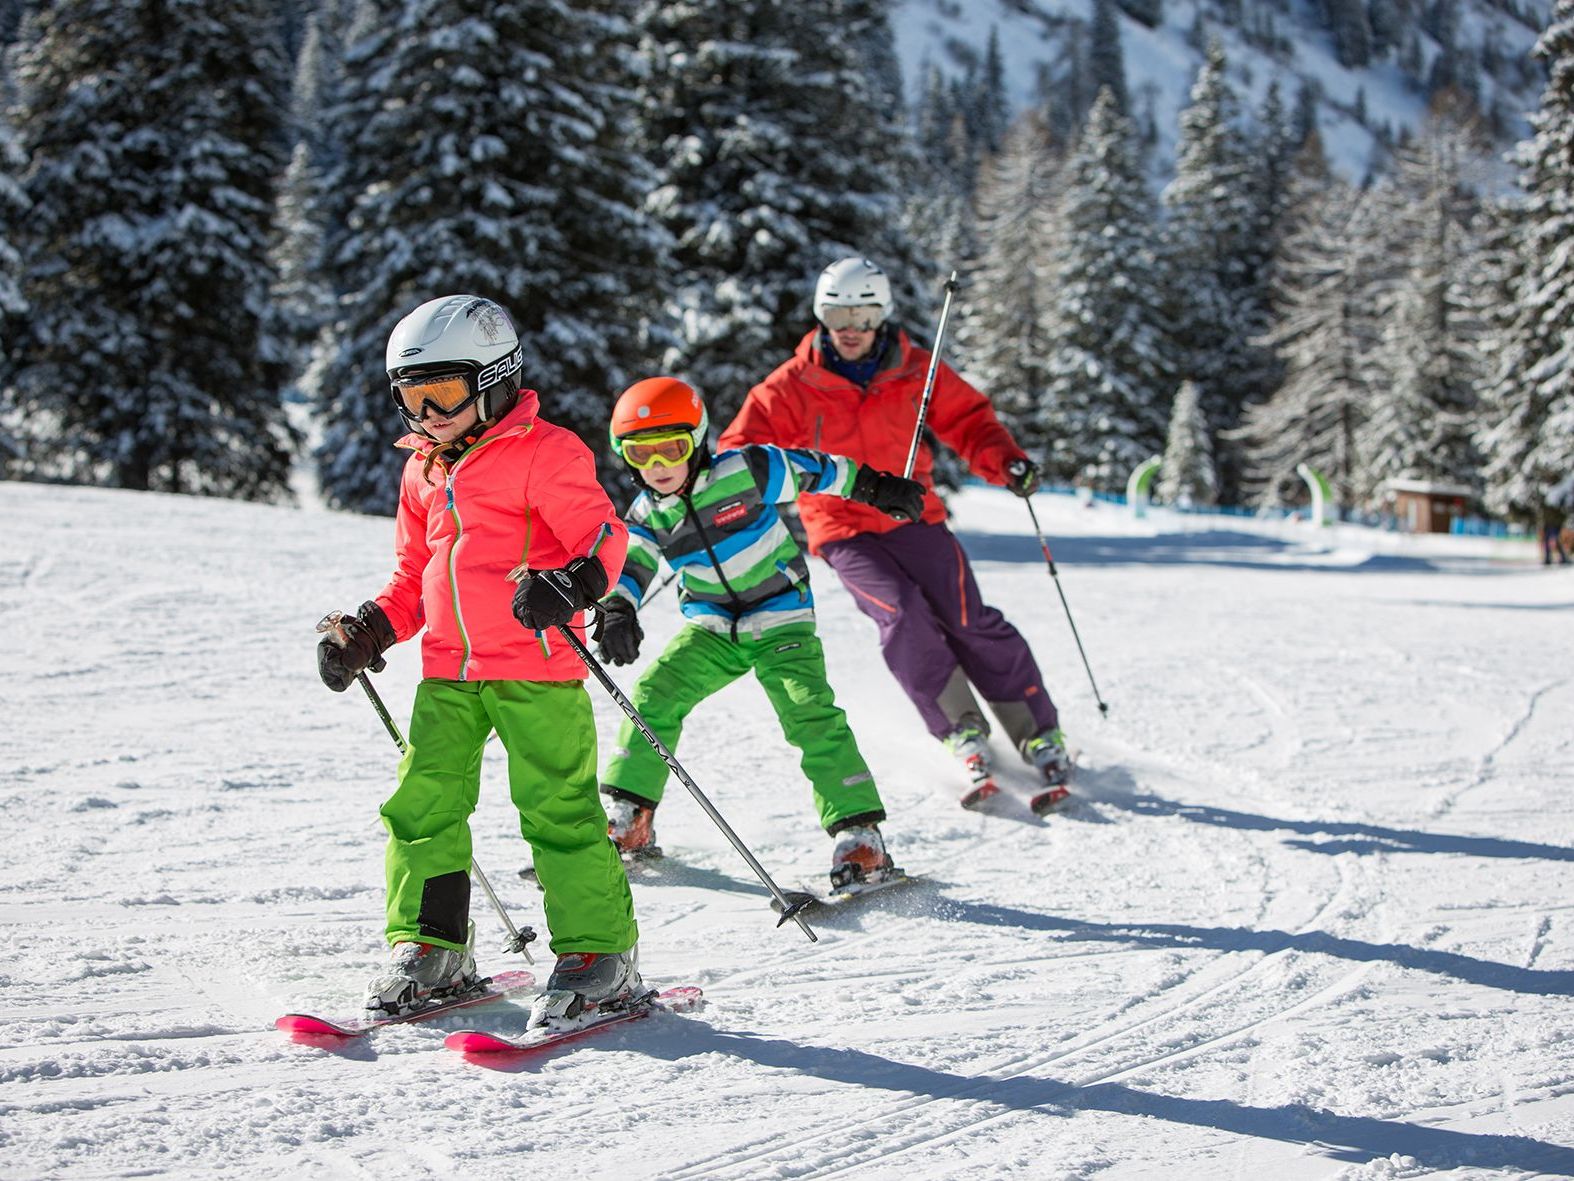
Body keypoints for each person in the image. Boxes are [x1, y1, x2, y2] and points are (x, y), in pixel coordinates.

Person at [316, 294, 640, 1024]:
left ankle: (599, 953)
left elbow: (603, 535)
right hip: (448, 673)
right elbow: (413, 579)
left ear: (494, 380)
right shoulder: (421, 473)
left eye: (445, 394)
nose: (427, 415)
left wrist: (576, 583)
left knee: (556, 808)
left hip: (536, 665)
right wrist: (369, 632)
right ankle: (433, 944)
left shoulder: (545, 451)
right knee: (422, 806)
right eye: (411, 398)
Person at [719, 257, 1072, 808]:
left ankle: (1038, 732)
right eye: (837, 313)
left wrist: (1007, 463)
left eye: (862, 312)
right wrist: (729, 495)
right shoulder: (792, 385)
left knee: (966, 618)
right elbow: (740, 450)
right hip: (841, 526)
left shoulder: (915, 369)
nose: (850, 327)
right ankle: (961, 728)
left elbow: (969, 421)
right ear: (821, 315)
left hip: (915, 514)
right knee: (900, 613)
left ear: (880, 314)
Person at [596, 376, 925, 889]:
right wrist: (618, 609)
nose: (658, 467)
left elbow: (813, 469)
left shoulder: (743, 470)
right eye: (642, 455)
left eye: (672, 449)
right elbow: (631, 562)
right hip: (710, 627)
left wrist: (875, 487)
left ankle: (860, 835)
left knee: (807, 710)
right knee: (653, 694)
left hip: (780, 617)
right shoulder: (647, 513)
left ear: (698, 441)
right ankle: (631, 817)